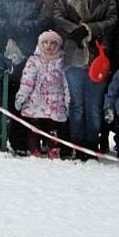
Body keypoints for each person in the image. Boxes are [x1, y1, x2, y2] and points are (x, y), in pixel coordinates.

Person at [53, 0, 117, 154]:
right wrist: (73, 29)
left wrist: (91, 29)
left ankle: (92, 143)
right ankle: (76, 142)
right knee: (76, 104)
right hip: (73, 55)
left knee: (94, 106)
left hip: (97, 55)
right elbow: (57, 15)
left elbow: (112, 18)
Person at [15, 30, 71, 158]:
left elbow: (66, 83)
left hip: (55, 100)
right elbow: (27, 80)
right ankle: (34, 148)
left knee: (54, 127)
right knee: (34, 127)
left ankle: (54, 148)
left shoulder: (62, 61)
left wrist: (68, 101)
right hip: (36, 99)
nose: (48, 46)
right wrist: (21, 96)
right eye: (45, 42)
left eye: (52, 43)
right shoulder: (34, 61)